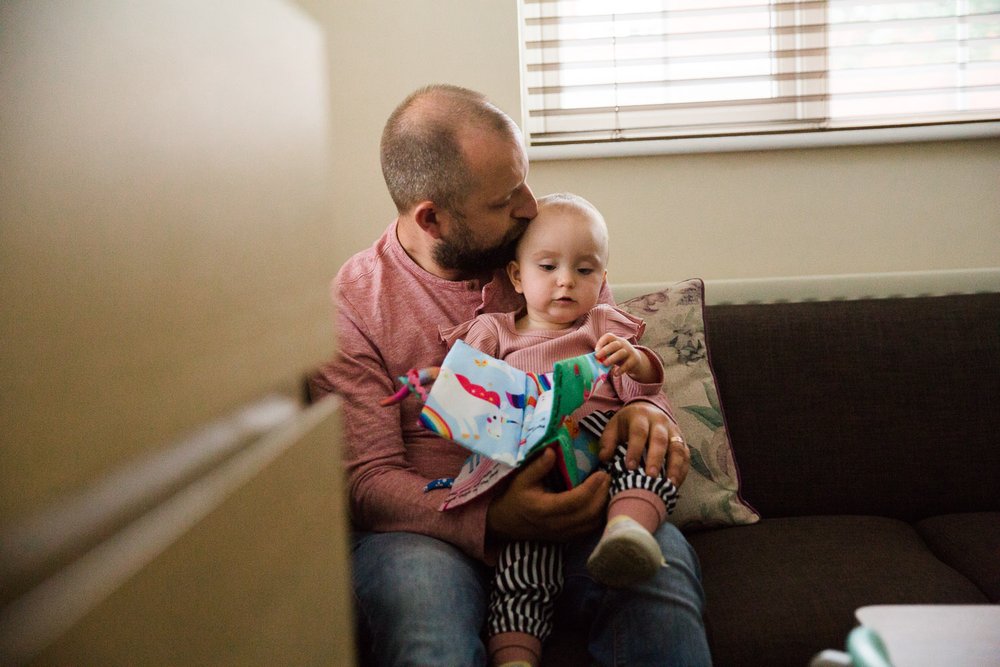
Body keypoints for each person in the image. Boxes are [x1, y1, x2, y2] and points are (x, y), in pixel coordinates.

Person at [311, 84, 711, 666]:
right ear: (434, 218)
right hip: (426, 529)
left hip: (578, 493)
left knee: (660, 574)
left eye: (525, 180)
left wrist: (646, 411)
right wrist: (492, 518)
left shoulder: (549, 247)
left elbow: (611, 361)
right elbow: (368, 482)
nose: (529, 204)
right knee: (426, 624)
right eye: (505, 199)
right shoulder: (351, 305)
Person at [439, 192, 682, 666]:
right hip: (529, 464)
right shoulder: (494, 331)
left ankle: (627, 531)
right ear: (516, 276)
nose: (566, 281)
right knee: (521, 565)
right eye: (548, 267)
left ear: (603, 280)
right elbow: (462, 402)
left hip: (599, 452)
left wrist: (634, 360)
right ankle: (515, 655)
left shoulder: (601, 324)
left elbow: (646, 390)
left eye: (585, 271)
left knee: (639, 452)